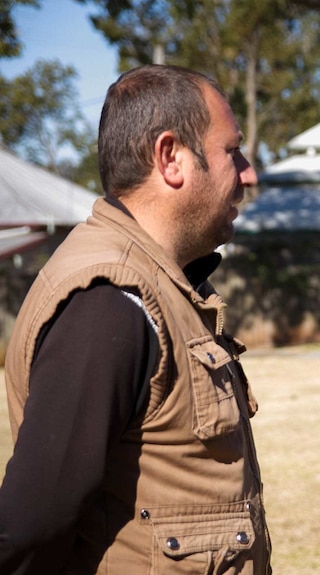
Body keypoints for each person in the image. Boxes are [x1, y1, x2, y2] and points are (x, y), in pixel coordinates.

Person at [0, 65, 271, 574]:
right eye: (231, 151)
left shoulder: (164, 286)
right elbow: (29, 528)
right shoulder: (109, 302)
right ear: (171, 158)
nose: (249, 172)